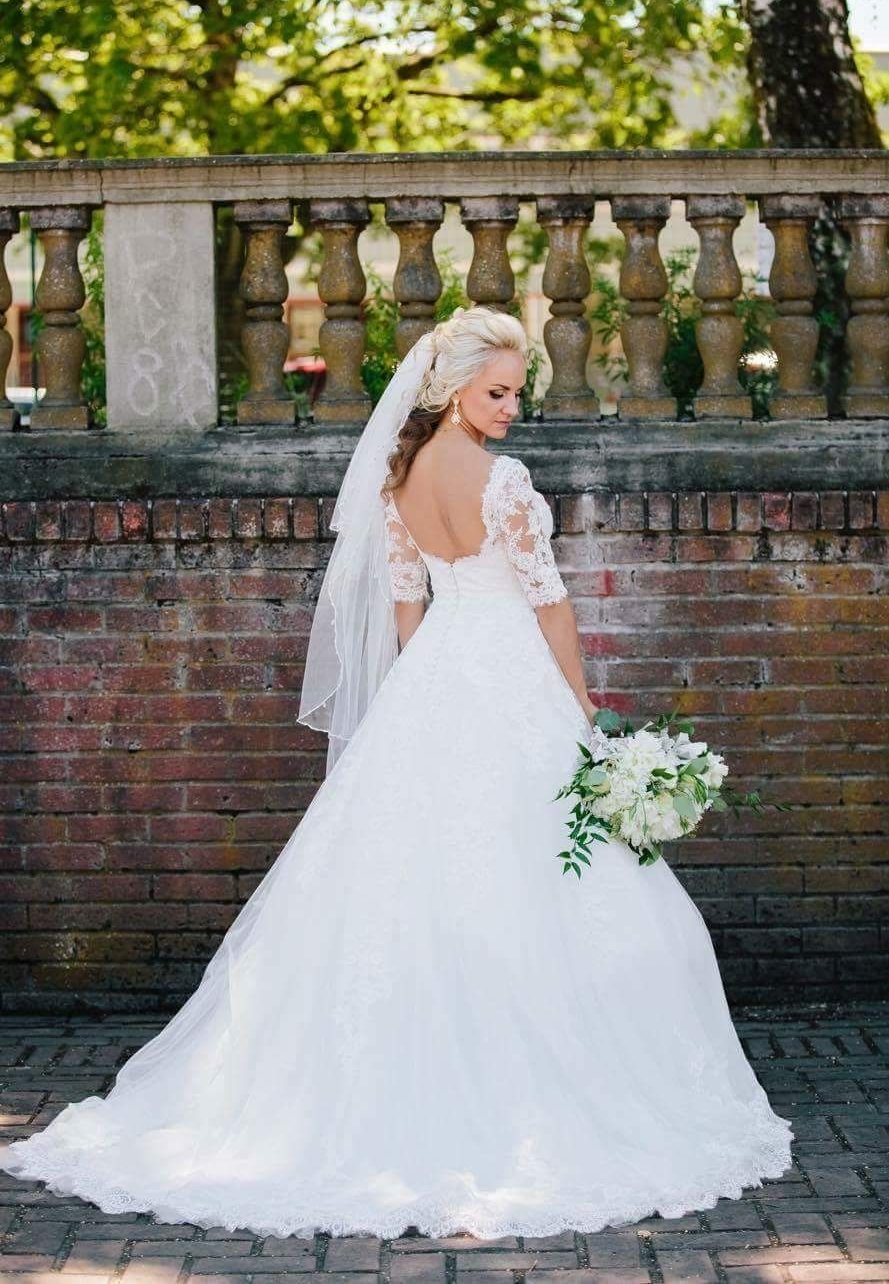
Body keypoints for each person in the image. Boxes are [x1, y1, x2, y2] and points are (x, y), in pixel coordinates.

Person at [0, 305, 793, 1241]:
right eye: (496, 392)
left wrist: (428, 689)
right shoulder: (506, 485)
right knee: (545, 873)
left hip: (437, 678)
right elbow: (550, 608)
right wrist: (579, 708)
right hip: (508, 675)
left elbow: (408, 611)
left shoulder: (397, 478)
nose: (510, 408)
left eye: (515, 393)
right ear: (453, 389)